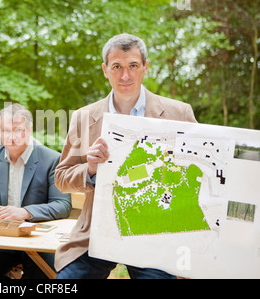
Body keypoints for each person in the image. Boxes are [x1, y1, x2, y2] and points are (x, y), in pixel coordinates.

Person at [54, 33, 197, 279]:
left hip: (155, 233)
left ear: (145, 67)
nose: (125, 76)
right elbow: (61, 178)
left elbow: (201, 172)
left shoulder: (178, 113)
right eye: (117, 67)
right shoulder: (83, 117)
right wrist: (89, 169)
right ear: (105, 70)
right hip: (96, 234)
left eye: (133, 66)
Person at [0, 103, 72, 279]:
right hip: (2, 236)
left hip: (37, 237)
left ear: (29, 130)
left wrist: (25, 212)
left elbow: (62, 204)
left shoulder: (52, 159)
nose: (12, 136)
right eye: (6, 131)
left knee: (43, 274)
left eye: (18, 130)